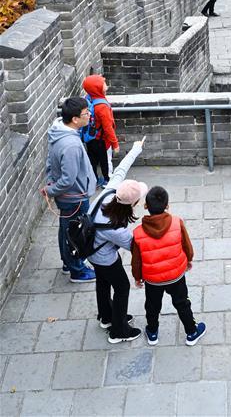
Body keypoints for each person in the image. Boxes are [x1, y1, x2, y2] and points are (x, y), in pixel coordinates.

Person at [132, 185, 206, 346]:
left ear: (146, 206)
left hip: (152, 280)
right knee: (182, 303)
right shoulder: (177, 223)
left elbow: (136, 260)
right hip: (176, 276)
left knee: (152, 306)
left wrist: (137, 277)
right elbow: (187, 245)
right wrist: (189, 260)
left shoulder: (137, 233)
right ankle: (192, 332)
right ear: (167, 205)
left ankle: (152, 332)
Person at [88, 139, 147, 344]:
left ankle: (106, 316)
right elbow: (135, 246)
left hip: (91, 251)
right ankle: (119, 331)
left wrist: (136, 148)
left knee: (103, 282)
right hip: (104, 258)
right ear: (133, 203)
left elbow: (121, 168)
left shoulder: (110, 192)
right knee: (122, 287)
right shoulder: (115, 228)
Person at [42, 97, 97, 283]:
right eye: (86, 113)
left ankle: (68, 262)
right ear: (75, 119)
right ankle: (77, 270)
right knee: (75, 233)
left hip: (69, 197)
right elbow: (68, 180)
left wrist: (50, 183)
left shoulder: (58, 132)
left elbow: (50, 163)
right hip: (74, 198)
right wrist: (50, 190)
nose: (89, 115)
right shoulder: (71, 144)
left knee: (66, 230)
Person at [82, 75, 119, 188]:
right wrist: (115, 144)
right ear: (97, 88)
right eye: (104, 83)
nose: (106, 85)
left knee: (92, 160)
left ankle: (94, 180)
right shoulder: (102, 106)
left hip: (90, 138)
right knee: (106, 160)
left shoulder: (88, 98)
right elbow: (108, 128)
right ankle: (108, 180)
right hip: (102, 140)